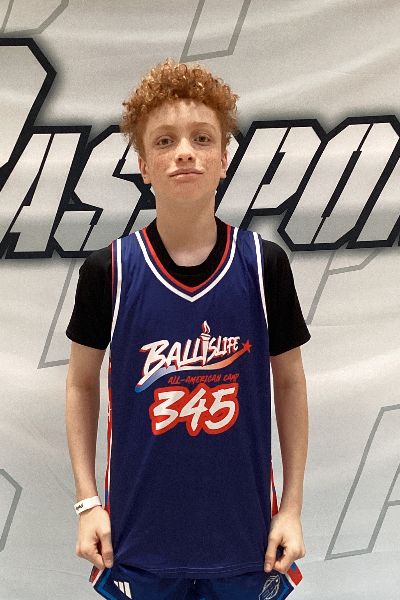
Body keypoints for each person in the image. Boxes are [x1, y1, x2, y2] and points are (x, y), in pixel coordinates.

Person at [65, 58, 310, 600]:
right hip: (136, 540)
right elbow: (81, 385)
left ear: (224, 159)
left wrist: (291, 508)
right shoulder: (109, 271)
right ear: (143, 165)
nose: (184, 152)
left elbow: (291, 384)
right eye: (165, 141)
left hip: (248, 539)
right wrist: (88, 504)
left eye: (202, 138)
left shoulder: (264, 264)